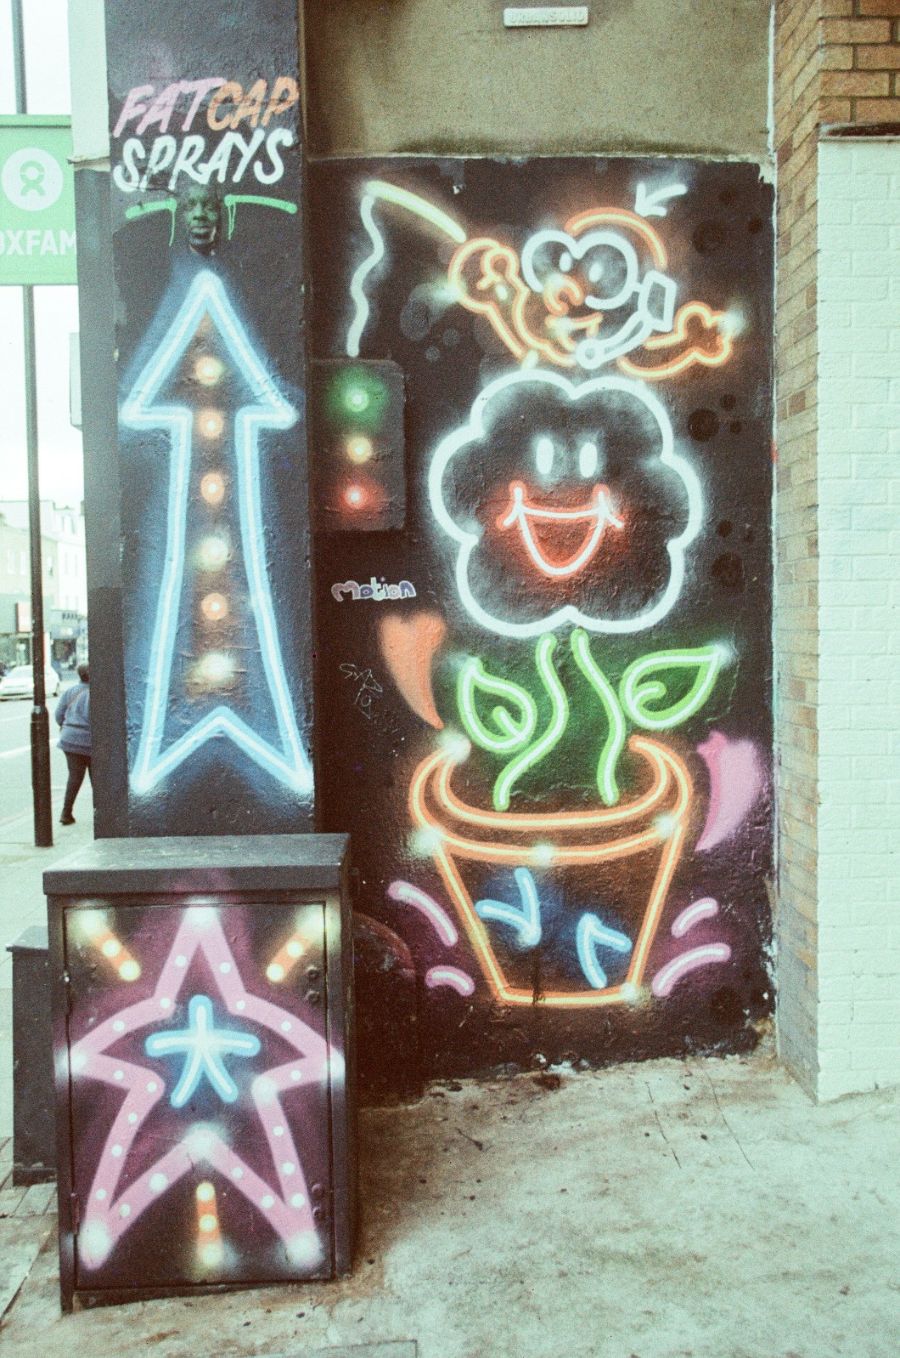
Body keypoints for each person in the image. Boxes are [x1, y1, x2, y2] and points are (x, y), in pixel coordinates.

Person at [55, 663, 92, 826]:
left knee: (74, 778)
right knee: (97, 779)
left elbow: (59, 715)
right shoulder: (96, 693)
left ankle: (66, 812)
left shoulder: (70, 692)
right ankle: (102, 814)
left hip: (69, 739)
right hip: (89, 741)